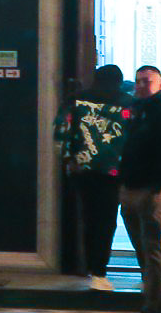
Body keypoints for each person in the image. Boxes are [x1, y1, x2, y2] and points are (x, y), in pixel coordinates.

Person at [115, 65, 161, 313]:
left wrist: (159, 183)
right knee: (143, 246)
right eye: (138, 81)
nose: (141, 85)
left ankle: (152, 307)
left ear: (160, 84)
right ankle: (158, 306)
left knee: (150, 245)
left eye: (147, 81)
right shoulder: (136, 109)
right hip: (134, 184)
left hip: (153, 186)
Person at [55, 65, 131, 282]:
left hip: (82, 169)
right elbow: (136, 136)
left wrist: (68, 159)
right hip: (115, 171)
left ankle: (87, 264)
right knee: (107, 220)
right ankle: (100, 268)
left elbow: (61, 132)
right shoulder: (127, 102)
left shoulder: (75, 100)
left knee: (87, 217)